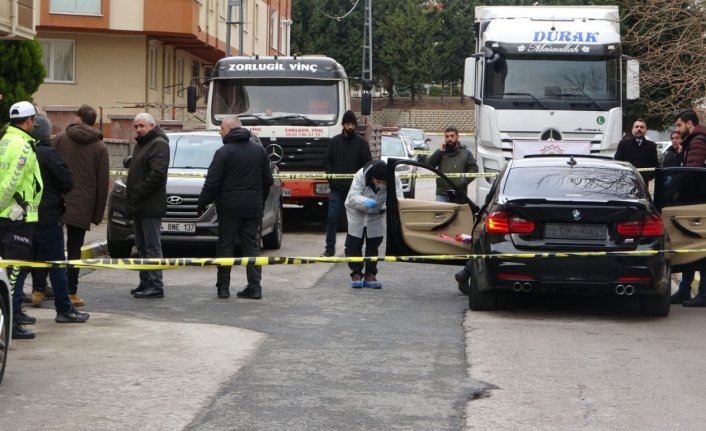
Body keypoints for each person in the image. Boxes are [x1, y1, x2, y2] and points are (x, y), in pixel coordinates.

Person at [15, 113, 89, 323]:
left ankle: (15, 308)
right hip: (48, 217)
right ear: (47, 133)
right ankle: (64, 309)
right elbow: (67, 181)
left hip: (25, 216)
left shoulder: (23, 151)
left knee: (21, 265)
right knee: (57, 264)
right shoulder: (49, 154)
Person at [198, 116, 273, 300]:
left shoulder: (224, 152)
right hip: (253, 208)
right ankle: (255, 287)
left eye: (221, 128)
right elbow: (268, 181)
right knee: (252, 246)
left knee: (225, 245)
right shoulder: (259, 151)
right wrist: (259, 201)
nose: (220, 132)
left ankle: (223, 287)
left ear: (230, 129)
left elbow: (212, 182)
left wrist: (202, 203)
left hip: (229, 208)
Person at [51, 104, 110, 307]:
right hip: (84, 203)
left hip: (57, 200)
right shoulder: (100, 147)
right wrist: (97, 214)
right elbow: (102, 183)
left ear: (77, 118)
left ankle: (38, 290)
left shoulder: (59, 139)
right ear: (93, 122)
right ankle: (71, 292)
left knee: (48, 247)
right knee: (75, 249)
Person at [0, 101, 43, 339]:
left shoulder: (5, 139)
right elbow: (11, 182)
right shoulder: (22, 145)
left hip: (8, 216)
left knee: (7, 273)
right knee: (14, 274)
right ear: (29, 121)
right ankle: (12, 324)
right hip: (15, 217)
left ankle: (8, 320)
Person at [126, 113, 169, 299]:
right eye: (136, 126)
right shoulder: (142, 143)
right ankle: (145, 282)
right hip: (139, 204)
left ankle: (156, 284)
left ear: (152, 125)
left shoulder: (159, 143)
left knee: (152, 246)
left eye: (142, 125)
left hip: (149, 204)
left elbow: (157, 174)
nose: (138, 129)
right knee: (141, 246)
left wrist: (140, 192)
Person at [344, 160, 403, 289]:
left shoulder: (394, 178)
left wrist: (390, 202)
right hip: (357, 212)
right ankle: (356, 273)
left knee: (374, 242)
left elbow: (399, 198)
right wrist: (365, 201)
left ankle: (370, 274)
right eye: (378, 182)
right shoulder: (361, 175)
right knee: (354, 243)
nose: (381, 185)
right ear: (372, 178)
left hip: (377, 213)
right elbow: (353, 197)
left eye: (383, 182)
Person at [321, 110, 372, 257]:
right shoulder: (334, 142)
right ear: (343, 124)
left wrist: (360, 181)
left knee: (354, 222)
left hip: (355, 191)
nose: (350, 127)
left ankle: (349, 249)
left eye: (352, 124)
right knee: (332, 219)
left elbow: (367, 163)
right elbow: (327, 162)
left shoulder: (361, 144)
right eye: (347, 124)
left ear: (355, 126)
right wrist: (332, 179)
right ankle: (329, 249)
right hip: (337, 189)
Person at [671, 110, 706, 307]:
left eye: (679, 125)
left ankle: (701, 293)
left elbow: (693, 171)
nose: (677, 129)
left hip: (697, 202)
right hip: (694, 202)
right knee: (689, 246)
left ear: (690, 124)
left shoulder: (698, 141)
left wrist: (675, 186)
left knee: (698, 249)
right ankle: (685, 290)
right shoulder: (693, 141)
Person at [425, 126, 479, 202]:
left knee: (460, 214)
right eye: (447, 136)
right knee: (440, 214)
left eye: (452, 136)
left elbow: (474, 170)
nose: (449, 139)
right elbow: (429, 165)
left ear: (457, 136)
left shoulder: (466, 153)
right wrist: (439, 152)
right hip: (442, 194)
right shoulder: (441, 152)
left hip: (459, 193)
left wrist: (462, 182)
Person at [614, 119, 660, 184]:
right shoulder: (623, 144)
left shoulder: (651, 146)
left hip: (643, 183)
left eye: (642, 127)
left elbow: (655, 165)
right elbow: (617, 162)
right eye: (636, 127)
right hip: (626, 182)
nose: (639, 129)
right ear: (632, 129)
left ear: (646, 130)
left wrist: (648, 177)